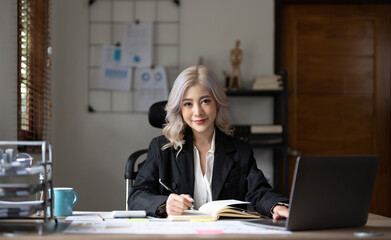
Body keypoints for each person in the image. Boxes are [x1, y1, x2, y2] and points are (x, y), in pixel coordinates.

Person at [128, 65, 289, 220]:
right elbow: (137, 196)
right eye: (188, 104)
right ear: (180, 109)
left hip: (224, 234)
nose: (198, 112)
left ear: (217, 103)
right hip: (178, 234)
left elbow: (258, 191)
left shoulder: (240, 150)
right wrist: (164, 204)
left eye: (205, 101)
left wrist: (276, 206)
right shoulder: (161, 148)